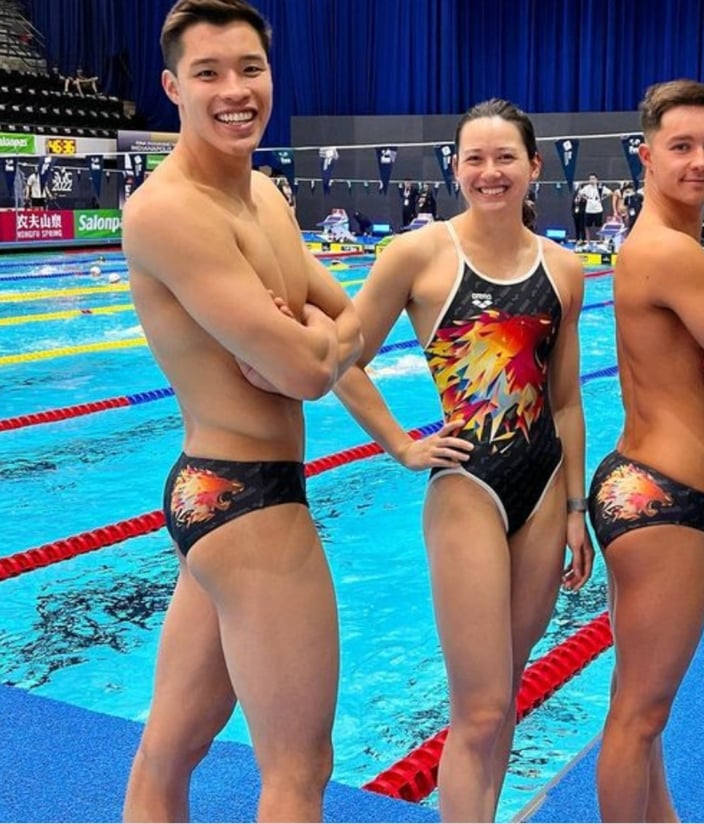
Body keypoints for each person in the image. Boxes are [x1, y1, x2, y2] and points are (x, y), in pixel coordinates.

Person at [119, 1, 363, 821]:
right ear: (172, 87)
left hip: (212, 496)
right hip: (248, 496)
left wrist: (308, 338)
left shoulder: (262, 194)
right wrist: (310, 342)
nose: (234, 90)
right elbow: (308, 369)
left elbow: (348, 321)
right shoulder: (168, 210)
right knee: (298, 771)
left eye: (249, 68)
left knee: (170, 747)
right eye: (208, 73)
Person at [334, 97, 594, 822]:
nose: (490, 171)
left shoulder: (564, 270)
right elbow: (339, 358)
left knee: (504, 697)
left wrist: (576, 509)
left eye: (505, 157)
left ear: (534, 167)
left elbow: (567, 400)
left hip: (543, 488)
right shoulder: (418, 256)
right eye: (475, 158)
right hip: (467, 487)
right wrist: (400, 442)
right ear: (455, 168)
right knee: (479, 709)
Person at [587, 79, 704, 822]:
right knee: (639, 717)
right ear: (646, 156)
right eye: (681, 147)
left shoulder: (650, 243)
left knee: (640, 710)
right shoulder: (675, 253)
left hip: (636, 482)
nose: (700, 162)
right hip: (662, 497)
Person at [578, 172, 612, 240]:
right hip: (589, 209)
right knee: (587, 226)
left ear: (596, 180)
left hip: (598, 209)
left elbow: (610, 193)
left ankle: (601, 240)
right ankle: (588, 241)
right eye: (590, 179)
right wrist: (586, 198)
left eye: (593, 179)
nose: (591, 180)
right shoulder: (586, 188)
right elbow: (580, 193)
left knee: (599, 226)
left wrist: (602, 198)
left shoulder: (601, 187)